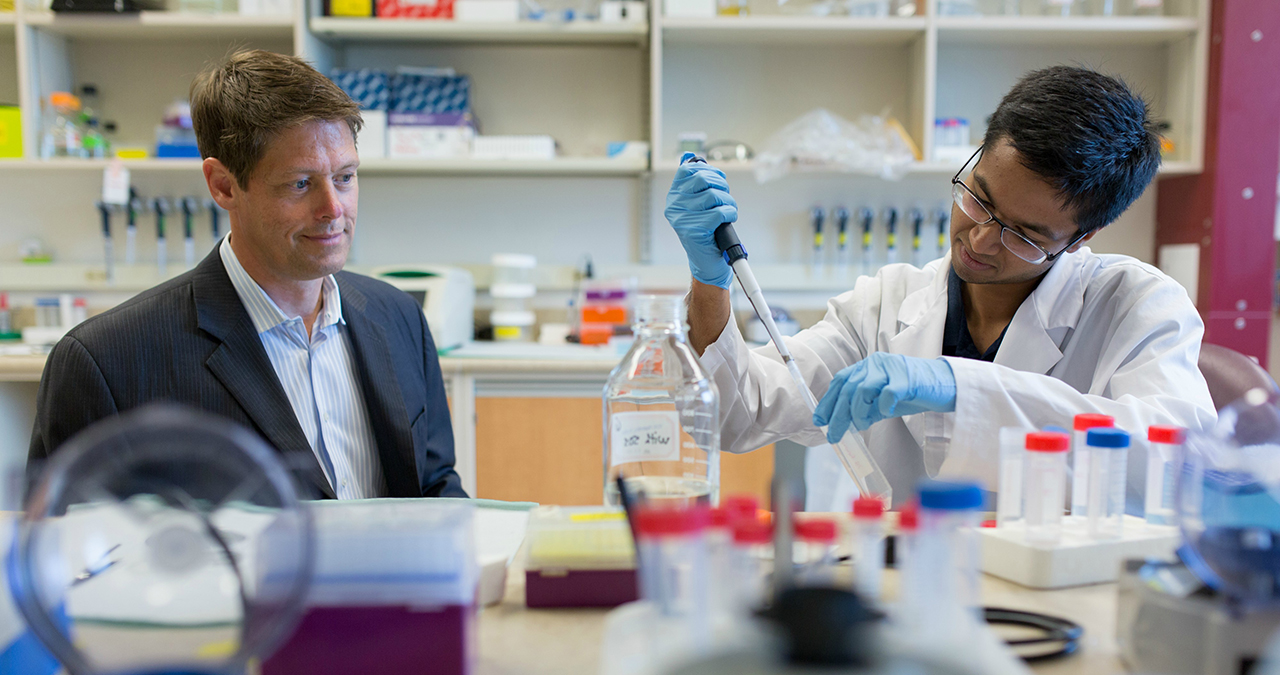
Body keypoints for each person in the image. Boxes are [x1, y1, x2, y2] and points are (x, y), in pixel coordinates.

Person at [665, 66, 1216, 506]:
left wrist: (958, 386)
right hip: (897, 588)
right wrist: (708, 281)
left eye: (1023, 235)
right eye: (978, 198)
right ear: (976, 159)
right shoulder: (884, 304)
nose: (979, 239)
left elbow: (1180, 464)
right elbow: (736, 416)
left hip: (1060, 594)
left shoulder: (1137, 306)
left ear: (1079, 237)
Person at [28, 50, 466, 500]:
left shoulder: (399, 319)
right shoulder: (107, 362)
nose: (333, 209)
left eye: (345, 177)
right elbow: (64, 553)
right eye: (300, 183)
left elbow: (435, 489)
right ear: (222, 185)